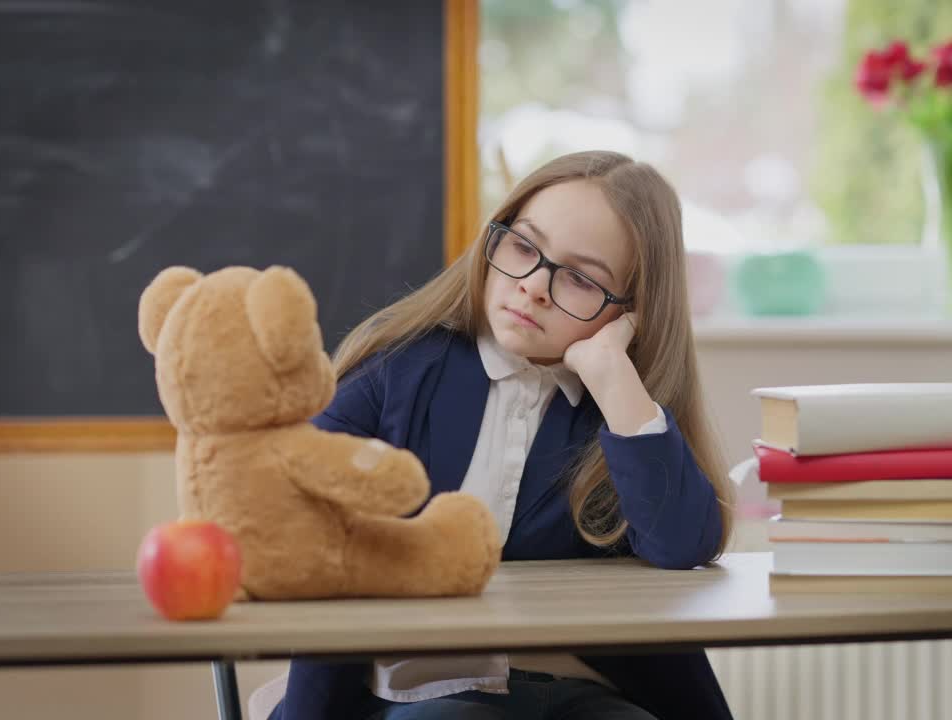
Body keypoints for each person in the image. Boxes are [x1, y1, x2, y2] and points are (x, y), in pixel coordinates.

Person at [270, 150, 735, 720]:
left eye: (582, 279)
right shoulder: (396, 372)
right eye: (523, 247)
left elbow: (683, 545)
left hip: (591, 692)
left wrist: (615, 379)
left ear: (630, 311)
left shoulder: (620, 406)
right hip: (428, 692)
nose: (535, 286)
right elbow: (299, 522)